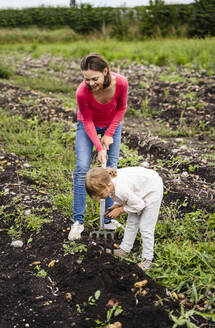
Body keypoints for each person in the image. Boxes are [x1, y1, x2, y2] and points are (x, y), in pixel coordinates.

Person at [68, 53, 128, 241]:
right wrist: (99, 148)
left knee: (111, 170)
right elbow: (86, 120)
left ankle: (108, 219)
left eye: (95, 79)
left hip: (112, 125)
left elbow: (121, 108)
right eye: (87, 79)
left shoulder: (121, 83)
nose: (91, 83)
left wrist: (109, 133)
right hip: (88, 126)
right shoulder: (82, 92)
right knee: (82, 169)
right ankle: (78, 221)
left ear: (105, 71)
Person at [85, 166, 163, 270]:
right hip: (139, 190)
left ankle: (147, 259)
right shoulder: (111, 183)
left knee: (145, 227)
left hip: (152, 189)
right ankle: (124, 250)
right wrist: (116, 205)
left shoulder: (121, 189)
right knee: (131, 222)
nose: (99, 198)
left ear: (108, 185)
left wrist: (120, 210)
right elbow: (127, 197)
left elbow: (139, 205)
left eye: (100, 194)